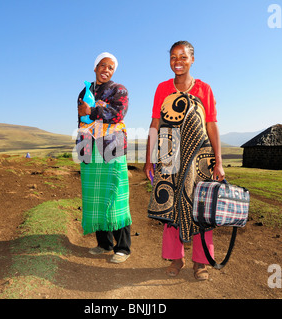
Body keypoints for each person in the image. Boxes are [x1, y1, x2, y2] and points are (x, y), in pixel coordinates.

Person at [144, 41, 225, 280]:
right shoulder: (161, 88)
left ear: (192, 60)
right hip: (169, 151)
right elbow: (155, 124)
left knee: (200, 209)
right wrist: (150, 159)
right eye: (172, 57)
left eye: (183, 56)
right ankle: (175, 258)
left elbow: (211, 125)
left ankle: (201, 263)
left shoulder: (204, 89)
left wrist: (218, 161)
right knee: (170, 205)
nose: (177, 61)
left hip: (201, 156)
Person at [76, 52, 131, 263]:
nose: (106, 70)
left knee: (116, 196)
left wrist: (92, 111)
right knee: (95, 197)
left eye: (110, 67)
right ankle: (104, 243)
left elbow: (118, 114)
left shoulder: (119, 89)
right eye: (102, 66)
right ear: (95, 67)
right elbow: (81, 119)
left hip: (112, 147)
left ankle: (123, 247)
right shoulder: (85, 90)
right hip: (89, 146)